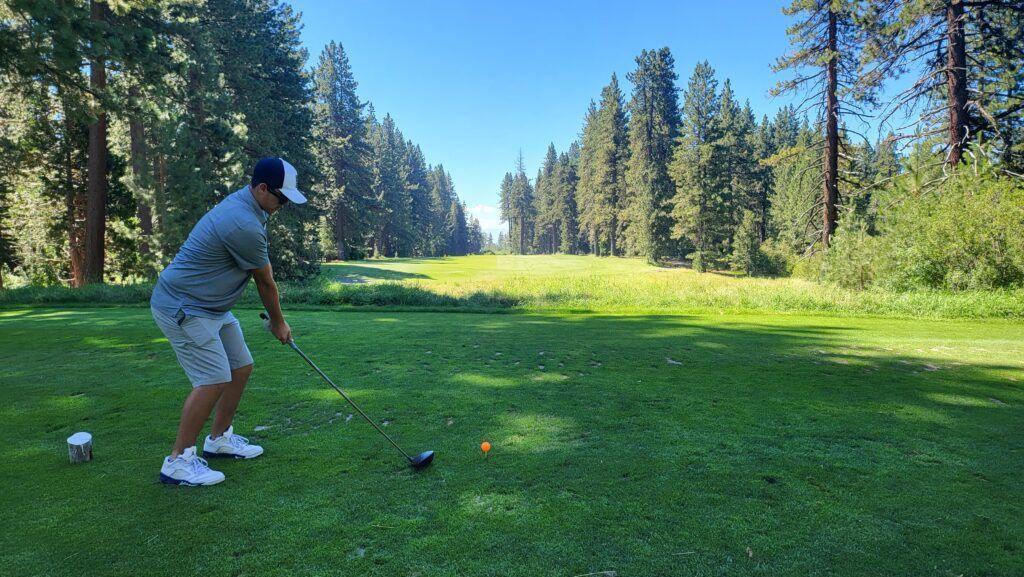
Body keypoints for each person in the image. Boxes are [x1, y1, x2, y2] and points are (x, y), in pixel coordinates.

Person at [150, 157, 305, 486]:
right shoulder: (242, 223)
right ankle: (178, 461)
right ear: (262, 189)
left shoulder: (253, 208)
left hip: (212, 307)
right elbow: (265, 282)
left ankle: (218, 439)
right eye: (282, 198)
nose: (284, 205)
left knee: (241, 366)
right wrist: (279, 322)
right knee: (212, 378)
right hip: (184, 306)